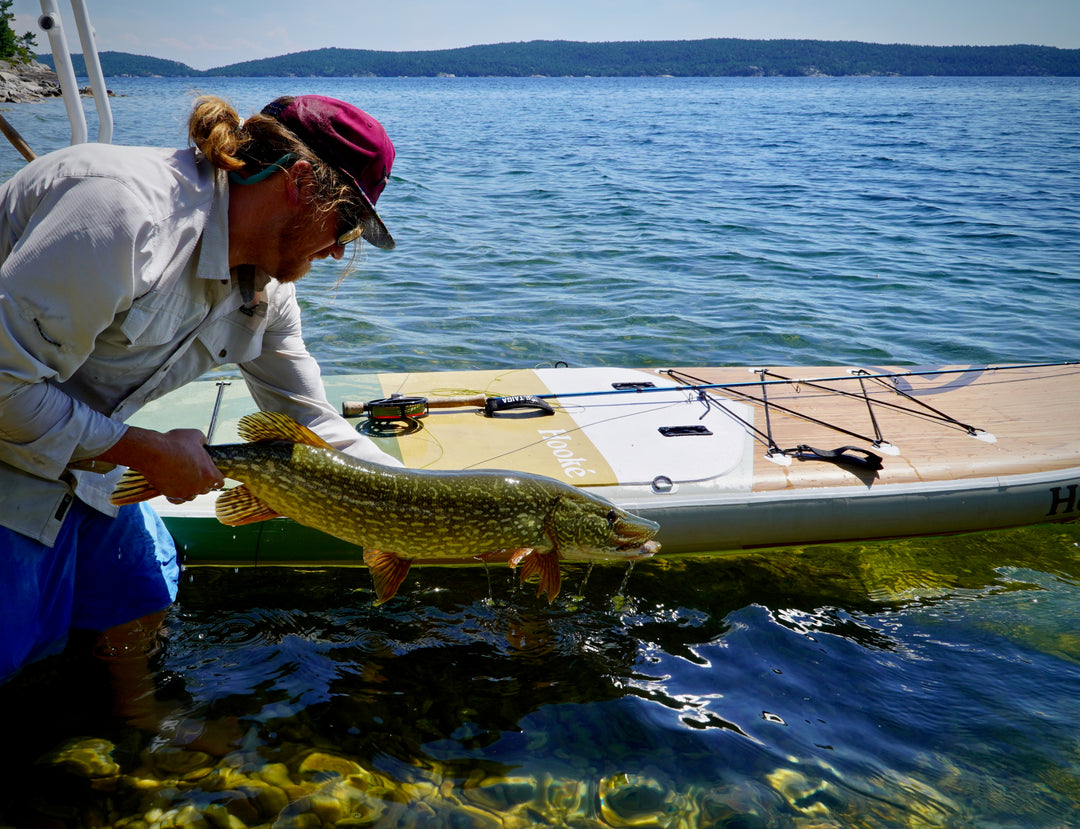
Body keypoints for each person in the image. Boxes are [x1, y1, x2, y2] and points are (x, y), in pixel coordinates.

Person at [0, 94, 400, 683]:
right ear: (298, 183)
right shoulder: (121, 214)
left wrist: (425, 500)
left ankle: (142, 738)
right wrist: (144, 452)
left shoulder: (269, 292)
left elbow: (314, 425)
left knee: (141, 597)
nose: (341, 247)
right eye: (345, 223)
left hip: (83, 449)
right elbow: (4, 388)